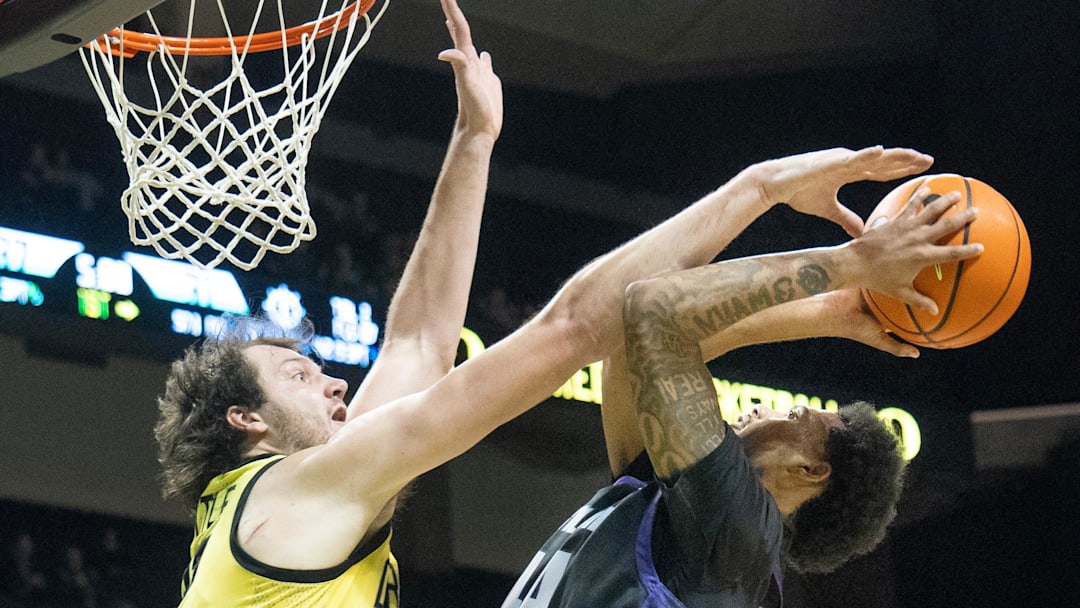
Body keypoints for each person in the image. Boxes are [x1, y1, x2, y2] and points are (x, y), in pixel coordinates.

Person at [153, 4, 977, 607]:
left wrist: (473, 143)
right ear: (246, 423)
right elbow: (592, 327)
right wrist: (781, 207)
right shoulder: (300, 492)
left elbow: (416, 342)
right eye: (299, 375)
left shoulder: (259, 515)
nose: (335, 383)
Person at [501, 189, 974, 607]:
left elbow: (654, 315)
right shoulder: (691, 518)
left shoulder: (737, 531)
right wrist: (832, 311)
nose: (760, 410)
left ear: (810, 471)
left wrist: (850, 264)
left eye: (791, 414)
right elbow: (633, 349)